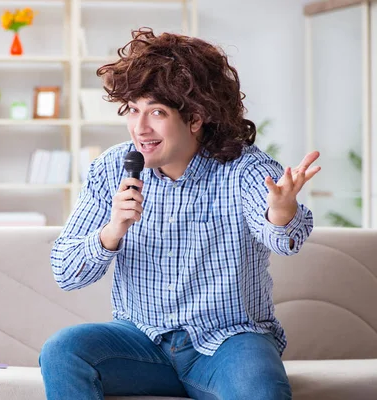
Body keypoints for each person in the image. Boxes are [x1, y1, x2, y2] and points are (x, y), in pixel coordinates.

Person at [39, 27, 320, 400]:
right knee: (63, 350)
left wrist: (282, 212)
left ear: (196, 117)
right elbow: (65, 271)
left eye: (156, 112)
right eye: (133, 110)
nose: (140, 128)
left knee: (261, 387)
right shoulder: (111, 168)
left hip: (227, 341)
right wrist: (112, 230)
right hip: (141, 342)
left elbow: (285, 241)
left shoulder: (244, 169)